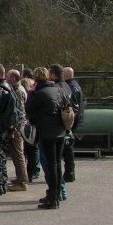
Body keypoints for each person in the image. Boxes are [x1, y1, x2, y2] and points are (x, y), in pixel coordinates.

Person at [25, 66, 67, 209]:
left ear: (35, 79)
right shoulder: (58, 89)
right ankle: (56, 194)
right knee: (56, 163)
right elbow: (66, 105)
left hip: (47, 132)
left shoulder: (38, 93)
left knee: (51, 165)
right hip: (60, 131)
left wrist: (31, 93)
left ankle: (53, 197)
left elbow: (29, 109)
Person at [0, 63, 20, 195]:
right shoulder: (9, 88)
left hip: (0, 126)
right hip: (6, 126)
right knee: (1, 155)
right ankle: (2, 182)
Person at [48, 63, 72, 201]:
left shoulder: (57, 89)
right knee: (58, 161)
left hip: (56, 129)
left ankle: (59, 191)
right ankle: (60, 190)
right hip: (63, 128)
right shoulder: (67, 87)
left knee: (54, 163)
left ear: (54, 75)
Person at [5, 69, 28, 189]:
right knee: (16, 152)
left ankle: (22, 182)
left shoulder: (18, 91)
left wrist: (13, 128)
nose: (5, 78)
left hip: (17, 127)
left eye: (7, 76)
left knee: (18, 152)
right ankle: (20, 178)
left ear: (13, 79)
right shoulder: (17, 89)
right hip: (18, 126)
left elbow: (18, 112)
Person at [62, 66, 84, 183]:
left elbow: (73, 107)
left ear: (65, 75)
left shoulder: (70, 87)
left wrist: (68, 122)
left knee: (67, 147)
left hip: (72, 120)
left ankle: (69, 172)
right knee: (68, 147)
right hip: (77, 119)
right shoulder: (76, 85)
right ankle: (70, 172)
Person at [21, 69, 40, 181]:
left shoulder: (29, 96)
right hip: (33, 124)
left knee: (28, 150)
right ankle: (33, 171)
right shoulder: (34, 95)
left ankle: (30, 172)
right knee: (33, 149)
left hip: (28, 124)